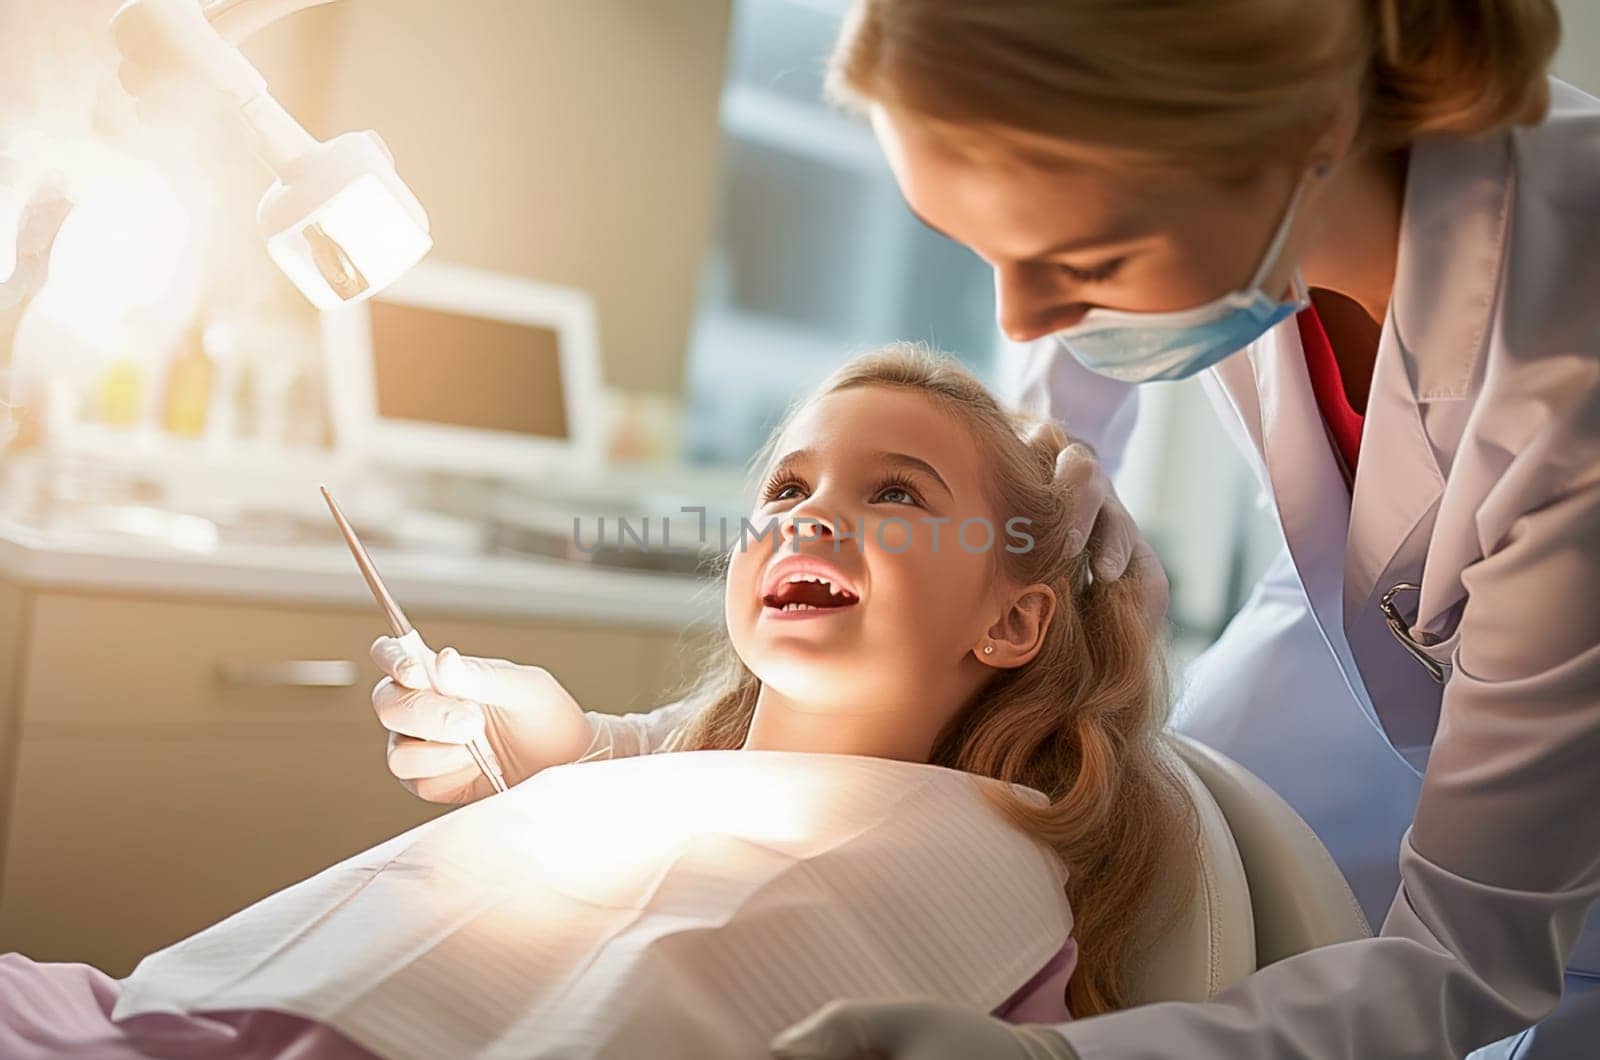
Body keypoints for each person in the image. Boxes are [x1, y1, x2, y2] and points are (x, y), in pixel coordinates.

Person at [381, 2, 1600, 1058]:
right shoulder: (1208, 194)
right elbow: (899, 687)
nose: (1027, 313)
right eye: (788, 487)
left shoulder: (1568, 361)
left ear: (1302, 142)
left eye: (1085, 257)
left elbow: (1468, 961)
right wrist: (587, 750)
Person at [0, 346, 1191, 1055]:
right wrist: (552, 744)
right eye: (784, 485)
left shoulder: (985, 863)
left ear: (1012, 620)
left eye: (895, 494)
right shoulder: (660, 775)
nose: (805, 517)